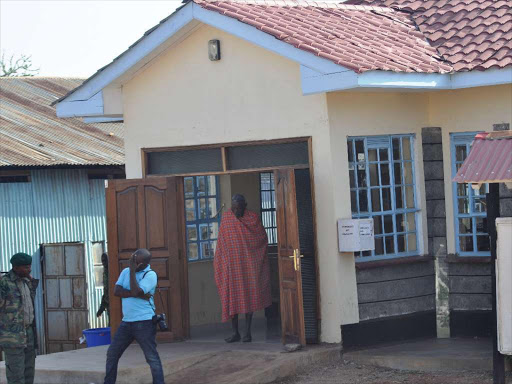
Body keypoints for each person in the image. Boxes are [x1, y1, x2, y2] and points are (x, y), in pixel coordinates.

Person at [214, 194, 271, 343]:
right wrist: (223, 262)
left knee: (249, 299)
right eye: (233, 207)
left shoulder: (253, 218)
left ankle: (247, 333)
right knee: (231, 299)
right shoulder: (227, 218)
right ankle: (235, 333)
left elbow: (261, 239)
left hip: (248, 267)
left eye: (238, 207)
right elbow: (222, 243)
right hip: (231, 268)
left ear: (244, 205)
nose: (236, 210)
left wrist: (252, 257)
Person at [104, 248, 164, 384]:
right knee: (112, 353)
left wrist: (132, 273)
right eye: (132, 261)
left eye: (136, 263)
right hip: (126, 322)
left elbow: (137, 290)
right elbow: (116, 291)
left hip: (145, 322)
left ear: (144, 264)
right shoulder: (125, 272)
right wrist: (138, 293)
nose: (133, 264)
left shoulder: (150, 275)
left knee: (151, 358)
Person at [0, 253, 38, 384]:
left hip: (28, 333)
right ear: (16, 267)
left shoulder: (27, 282)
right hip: (13, 336)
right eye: (26, 267)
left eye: (29, 266)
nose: (29, 269)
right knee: (16, 374)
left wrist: (33, 282)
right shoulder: (4, 283)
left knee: (29, 372)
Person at [96, 253, 110, 325]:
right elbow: (106, 291)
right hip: (108, 304)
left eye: (105, 261)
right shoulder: (105, 272)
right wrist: (101, 308)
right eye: (102, 261)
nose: (103, 263)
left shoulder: (113, 272)